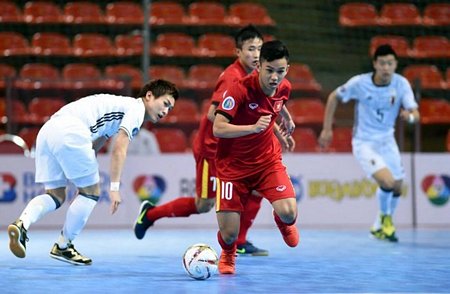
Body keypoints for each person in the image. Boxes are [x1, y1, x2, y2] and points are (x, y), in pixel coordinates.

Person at [134, 26, 294, 256]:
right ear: (238, 52)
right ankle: (150, 214)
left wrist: (277, 130)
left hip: (241, 149)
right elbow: (213, 114)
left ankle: (239, 241)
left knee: (259, 189)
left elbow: (266, 106)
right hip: (215, 149)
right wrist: (249, 127)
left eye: (259, 48)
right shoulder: (233, 77)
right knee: (204, 204)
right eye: (250, 49)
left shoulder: (264, 78)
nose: (255, 54)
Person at [7, 80, 179, 265]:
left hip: (48, 131)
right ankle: (63, 246)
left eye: (170, 109)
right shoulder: (136, 109)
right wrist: (113, 187)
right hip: (71, 132)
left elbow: (97, 142)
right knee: (92, 194)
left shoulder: (118, 107)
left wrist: (83, 184)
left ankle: (22, 224)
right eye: (165, 104)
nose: (166, 112)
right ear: (149, 96)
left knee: (55, 195)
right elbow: (119, 148)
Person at [213, 40, 299, 275]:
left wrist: (284, 124)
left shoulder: (284, 87)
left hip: (266, 162)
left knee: (289, 212)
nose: (274, 77)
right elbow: (218, 128)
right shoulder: (238, 89)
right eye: (269, 70)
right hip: (232, 167)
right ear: (259, 66)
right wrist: (251, 128)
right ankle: (228, 253)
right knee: (229, 234)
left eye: (280, 71)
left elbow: (275, 105)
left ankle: (282, 221)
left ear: (287, 69)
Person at [318, 44, 420, 242]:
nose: (386, 68)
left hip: (387, 141)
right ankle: (387, 221)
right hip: (365, 143)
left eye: (390, 63)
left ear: (395, 65)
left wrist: (410, 117)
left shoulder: (401, 84)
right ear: (375, 64)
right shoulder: (360, 83)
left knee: (398, 186)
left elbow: (415, 113)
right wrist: (327, 128)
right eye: (382, 63)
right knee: (387, 182)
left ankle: (377, 226)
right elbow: (334, 97)